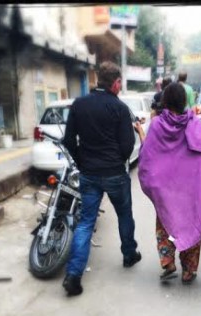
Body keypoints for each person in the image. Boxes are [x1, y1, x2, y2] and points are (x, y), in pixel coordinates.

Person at [61, 61, 142, 296]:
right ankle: (129, 255)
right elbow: (127, 145)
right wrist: (117, 161)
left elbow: (68, 140)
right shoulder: (119, 108)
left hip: (89, 174)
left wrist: (82, 162)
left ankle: (73, 275)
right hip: (115, 174)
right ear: (115, 83)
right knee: (124, 215)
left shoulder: (79, 104)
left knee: (86, 222)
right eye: (120, 83)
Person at [137, 82, 201, 284]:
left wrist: (155, 186)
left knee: (166, 224)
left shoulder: (157, 124)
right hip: (190, 189)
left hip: (166, 190)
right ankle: (189, 270)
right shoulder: (196, 124)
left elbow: (147, 158)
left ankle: (168, 262)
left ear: (165, 101)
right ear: (184, 100)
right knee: (191, 223)